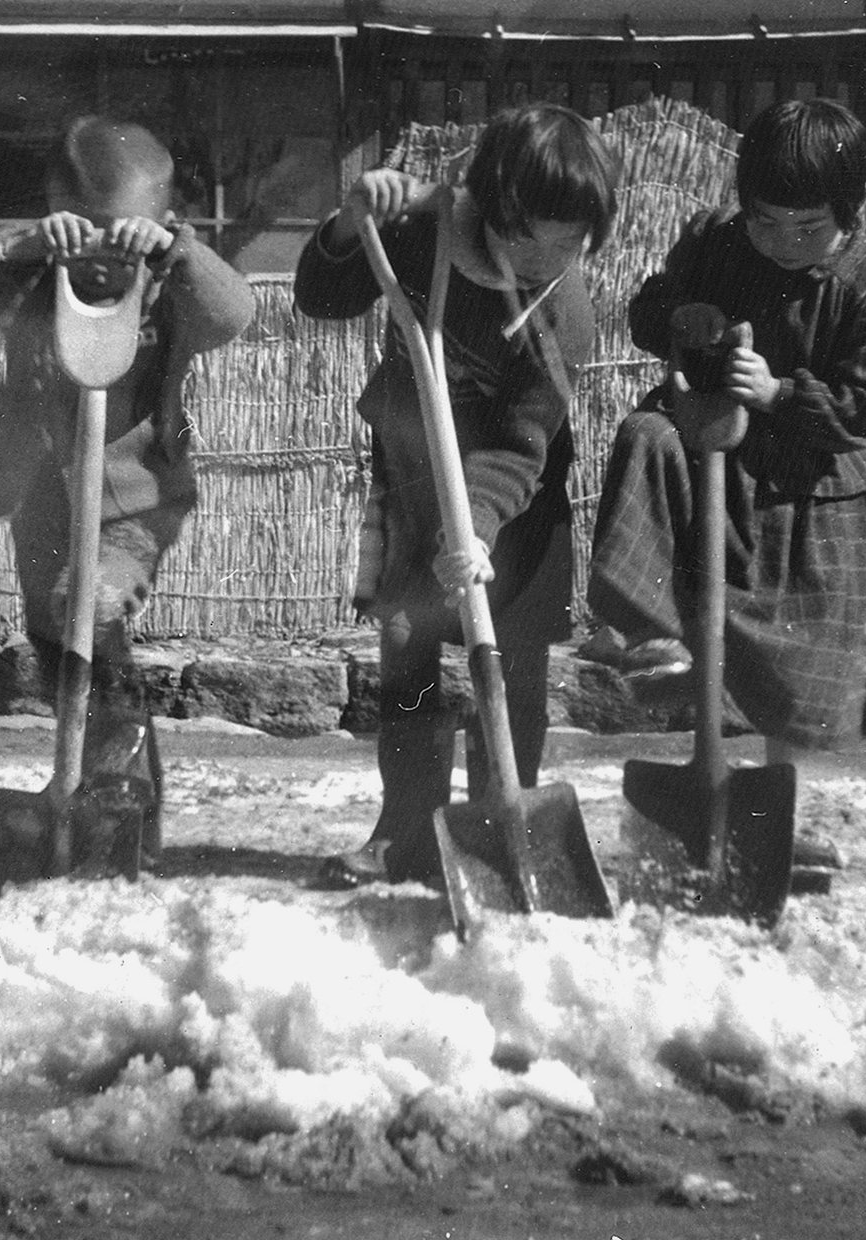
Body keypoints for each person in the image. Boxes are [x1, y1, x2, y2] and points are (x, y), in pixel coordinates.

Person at [293, 102, 619, 888]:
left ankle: (500, 827)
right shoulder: (424, 229)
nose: (543, 258)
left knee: (515, 664)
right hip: (412, 469)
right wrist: (347, 225)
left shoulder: (561, 321)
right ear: (488, 208)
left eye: (567, 242)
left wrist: (471, 530)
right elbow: (323, 297)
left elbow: (518, 443)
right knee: (407, 655)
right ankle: (404, 829)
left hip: (513, 498)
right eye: (523, 235)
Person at [586, 98, 866, 864]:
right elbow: (646, 310)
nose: (783, 242)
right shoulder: (713, 242)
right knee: (644, 435)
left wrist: (775, 393)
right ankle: (650, 634)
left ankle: (772, 816)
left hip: (808, 489)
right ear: (743, 205)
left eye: (808, 228)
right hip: (710, 458)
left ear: (849, 209)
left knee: (789, 669)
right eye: (766, 221)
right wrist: (681, 315)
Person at [0, 117, 255, 868]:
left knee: (85, 609)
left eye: (120, 232)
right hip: (42, 500)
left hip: (135, 500)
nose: (97, 251)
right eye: (79, 230)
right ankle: (115, 801)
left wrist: (175, 254)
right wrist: (21, 247)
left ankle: (113, 787)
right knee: (62, 640)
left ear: (159, 225)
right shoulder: (32, 285)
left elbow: (233, 313)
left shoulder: (168, 294)